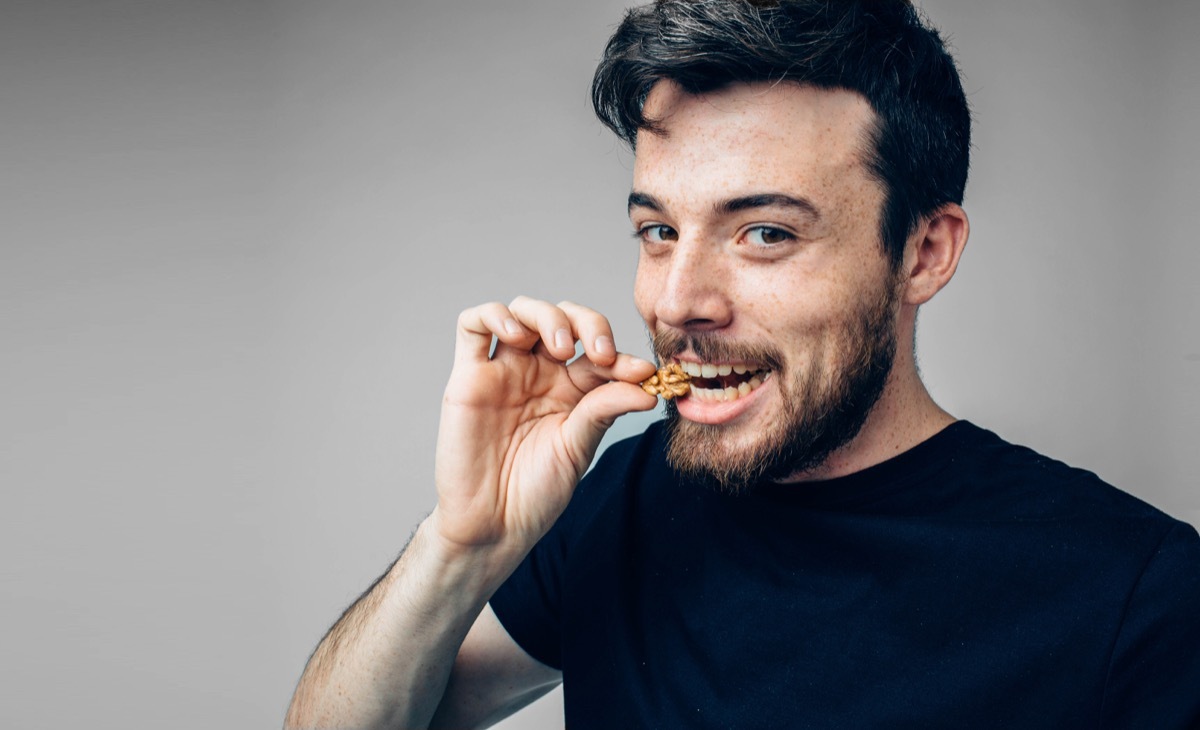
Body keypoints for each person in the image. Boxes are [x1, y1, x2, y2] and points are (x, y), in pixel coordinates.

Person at [284, 1, 1200, 727]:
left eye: (764, 233)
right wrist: (462, 545)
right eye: (658, 231)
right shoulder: (623, 498)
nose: (677, 301)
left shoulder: (1139, 592)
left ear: (923, 252)